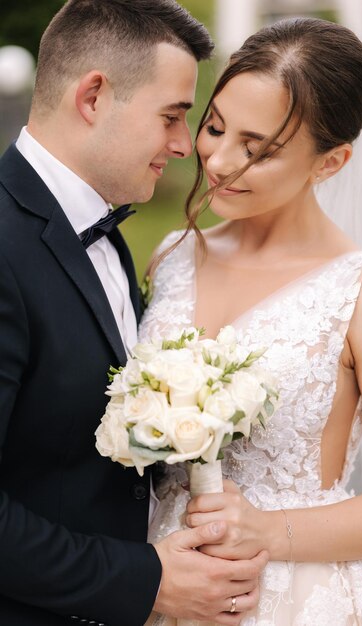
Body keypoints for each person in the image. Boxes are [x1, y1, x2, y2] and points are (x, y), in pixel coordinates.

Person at [138, 16, 362, 625]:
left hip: (297, 596)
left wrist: (268, 531)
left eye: (257, 149)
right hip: (161, 581)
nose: (217, 159)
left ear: (331, 163)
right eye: (214, 127)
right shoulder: (174, 257)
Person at [0, 1, 269, 625]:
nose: (185, 146)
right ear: (94, 96)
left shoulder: (112, 236)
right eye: (173, 116)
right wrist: (145, 582)